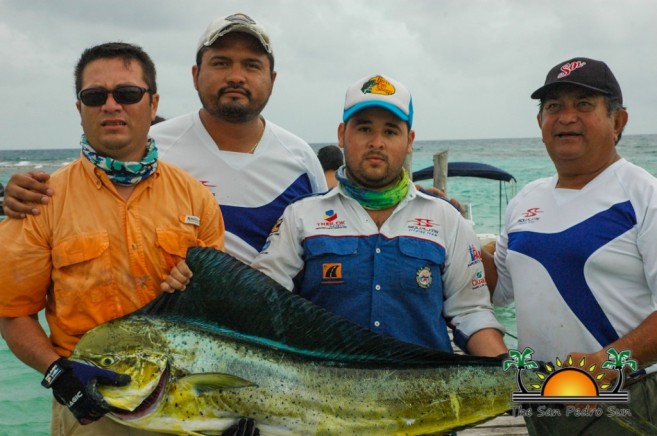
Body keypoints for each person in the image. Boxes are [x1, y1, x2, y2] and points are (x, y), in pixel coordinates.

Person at [0, 42, 225, 435]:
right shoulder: (41, 200)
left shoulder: (197, 198)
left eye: (127, 93)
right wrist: (57, 374)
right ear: (79, 109)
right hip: (89, 410)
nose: (111, 105)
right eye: (94, 96)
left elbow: (217, 311)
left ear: (152, 104)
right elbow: (14, 313)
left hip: (185, 405)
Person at [1, 13, 327, 266]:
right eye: (221, 62)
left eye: (251, 65)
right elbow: (82, 192)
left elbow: (319, 250)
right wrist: (23, 193)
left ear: (272, 79)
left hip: (273, 341)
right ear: (195, 75)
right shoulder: (150, 148)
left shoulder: (299, 159)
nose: (236, 76)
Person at [248, 74, 507, 356]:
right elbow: (262, 304)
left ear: (409, 141)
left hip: (426, 396)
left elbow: (471, 313)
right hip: (322, 395)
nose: (377, 142)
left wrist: (509, 376)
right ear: (341, 135)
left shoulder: (447, 219)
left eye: (390, 131)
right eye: (364, 129)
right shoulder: (301, 216)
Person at [483, 57, 657, 434]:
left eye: (583, 104)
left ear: (618, 121)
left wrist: (610, 361)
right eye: (553, 107)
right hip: (541, 396)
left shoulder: (644, 196)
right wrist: (447, 229)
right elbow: (498, 289)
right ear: (540, 123)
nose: (566, 117)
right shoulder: (526, 198)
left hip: (623, 393)